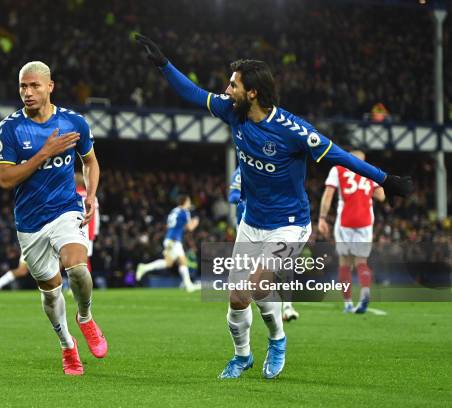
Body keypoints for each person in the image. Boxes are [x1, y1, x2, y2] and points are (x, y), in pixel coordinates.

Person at [135, 34, 412, 380]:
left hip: (290, 224)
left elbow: (340, 156)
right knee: (237, 297)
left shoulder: (294, 131)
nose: (226, 89)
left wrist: (385, 180)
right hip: (253, 222)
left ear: (252, 92)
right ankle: (242, 356)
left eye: (233, 84)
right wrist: (164, 65)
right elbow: (193, 93)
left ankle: (277, 340)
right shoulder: (232, 112)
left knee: (259, 282)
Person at [0, 61, 107, 376]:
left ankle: (85, 317)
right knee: (51, 291)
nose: (27, 93)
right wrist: (43, 152)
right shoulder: (9, 128)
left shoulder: (74, 123)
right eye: (22, 87)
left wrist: (91, 196)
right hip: (30, 223)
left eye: (34, 86)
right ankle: (67, 347)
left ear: (50, 87)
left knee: (79, 268)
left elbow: (91, 162)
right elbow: (5, 179)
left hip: (65, 209)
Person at [318, 150, 386, 314]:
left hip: (345, 222)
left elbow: (328, 194)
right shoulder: (370, 171)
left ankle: (348, 303)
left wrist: (322, 217)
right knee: (361, 262)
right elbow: (381, 196)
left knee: (345, 263)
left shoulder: (338, 169)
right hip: (365, 222)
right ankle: (364, 292)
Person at [229, 166, 299, 322]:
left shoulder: (272, 166)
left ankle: (287, 306)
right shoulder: (241, 171)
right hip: (248, 228)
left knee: (283, 265)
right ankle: (258, 305)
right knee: (251, 275)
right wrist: (252, 201)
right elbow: (233, 196)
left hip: (274, 225)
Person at [136, 195, 200, 292]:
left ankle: (188, 284)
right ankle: (144, 267)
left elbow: (171, 225)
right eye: (189, 201)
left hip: (170, 239)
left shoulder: (174, 211)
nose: (190, 204)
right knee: (170, 262)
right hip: (174, 240)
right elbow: (190, 228)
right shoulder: (185, 212)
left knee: (180, 261)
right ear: (185, 202)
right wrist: (196, 222)